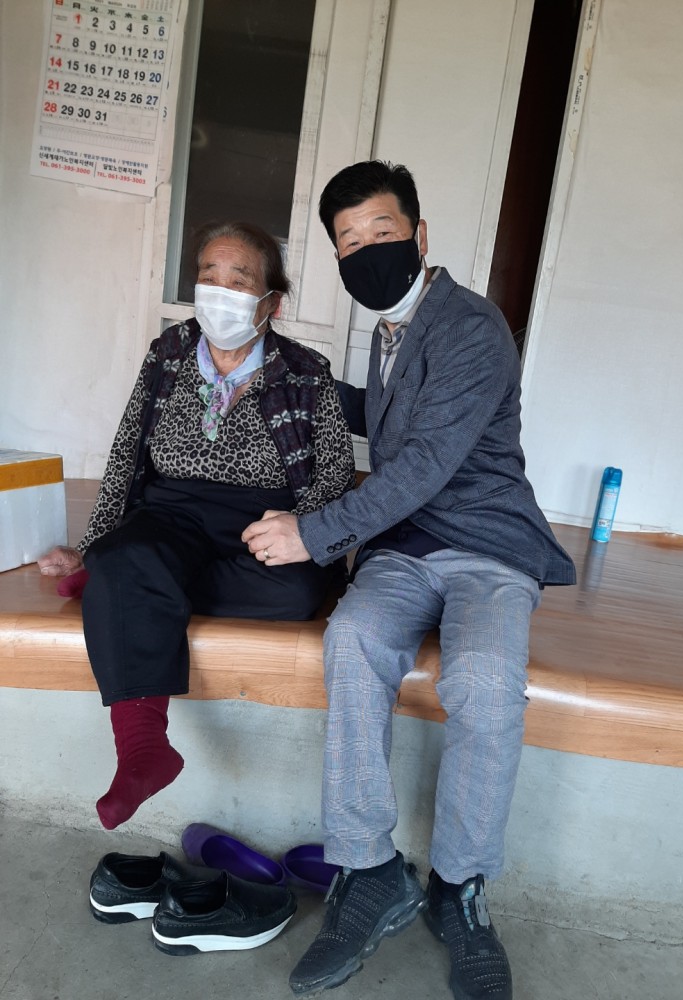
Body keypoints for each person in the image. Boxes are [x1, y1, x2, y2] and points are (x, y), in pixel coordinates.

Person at [244, 162, 576, 1000]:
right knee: (353, 640)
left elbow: (425, 460)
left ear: (420, 236)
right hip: (404, 548)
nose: (366, 252)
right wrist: (297, 377)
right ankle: (370, 870)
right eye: (348, 242)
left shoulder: (472, 327)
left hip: (488, 547)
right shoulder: (393, 328)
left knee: (485, 679)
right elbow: (393, 415)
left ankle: (458, 888)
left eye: (382, 232)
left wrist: (312, 534)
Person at [38, 221, 355, 831]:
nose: (219, 291)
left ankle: (124, 585)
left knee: (295, 593)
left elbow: (335, 474)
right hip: (172, 513)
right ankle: (143, 748)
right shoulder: (169, 353)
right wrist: (92, 544)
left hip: (262, 522)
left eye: (239, 280)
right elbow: (127, 452)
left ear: (271, 302)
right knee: (128, 552)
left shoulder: (305, 370)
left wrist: (300, 527)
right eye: (209, 276)